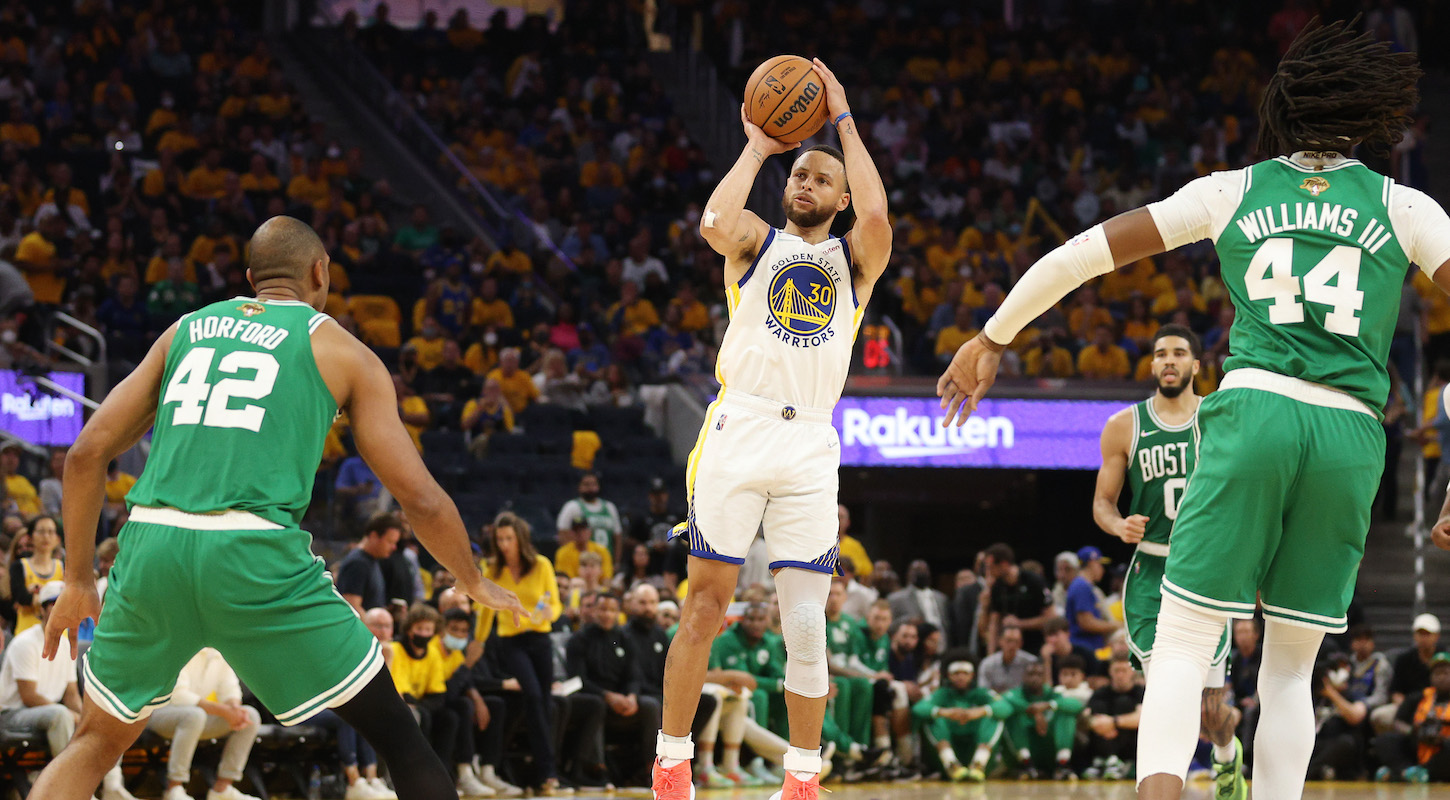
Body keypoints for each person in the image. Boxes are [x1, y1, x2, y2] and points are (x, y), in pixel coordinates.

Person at [937, 21, 1444, 800]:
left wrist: (993, 335)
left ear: (1283, 110)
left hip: (1256, 412)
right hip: (1349, 431)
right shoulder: (1405, 206)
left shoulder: (1232, 189)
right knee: (1288, 670)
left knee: (1181, 641)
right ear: (1365, 118)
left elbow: (1086, 252)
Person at [33, 216, 528, 800]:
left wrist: (77, 578)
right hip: (252, 554)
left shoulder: (185, 330)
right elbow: (418, 497)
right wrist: (469, 577)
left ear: (250, 278)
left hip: (151, 545)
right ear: (321, 272)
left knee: (95, 740)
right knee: (399, 737)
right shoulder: (345, 351)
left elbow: (86, 454)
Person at [653, 59, 893, 800]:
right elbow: (713, 222)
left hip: (811, 444)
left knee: (807, 623)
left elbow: (880, 220)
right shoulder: (758, 242)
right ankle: (671, 759)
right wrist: (758, 146)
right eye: (798, 175)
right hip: (741, 426)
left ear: (841, 195)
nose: (806, 184)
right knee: (704, 605)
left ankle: (802, 777)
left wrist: (844, 118)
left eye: (821, 179)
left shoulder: (853, 260)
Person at [1091, 324, 1244, 796]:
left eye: (1179, 353)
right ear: (1153, 365)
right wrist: (1118, 526)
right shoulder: (1124, 425)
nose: (1169, 361)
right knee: (1163, 694)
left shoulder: (1220, 417)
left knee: (1212, 710)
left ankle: (1225, 756)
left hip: (1207, 570)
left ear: (1197, 365)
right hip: (1151, 569)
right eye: (1161, 354)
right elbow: (1102, 502)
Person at [0, 581, 135, 800]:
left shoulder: (65, 645)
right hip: (12, 714)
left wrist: (88, 717)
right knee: (61, 715)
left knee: (106, 719)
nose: (61, 608)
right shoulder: (25, 642)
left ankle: (112, 785)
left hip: (49, 713)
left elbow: (71, 694)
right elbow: (29, 696)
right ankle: (74, 790)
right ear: (42, 609)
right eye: (53, 603)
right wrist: (73, 715)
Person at [476, 512, 566, 794]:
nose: (503, 544)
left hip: (540, 639)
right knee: (535, 695)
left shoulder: (541, 565)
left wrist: (551, 612)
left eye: (508, 538)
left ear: (519, 538)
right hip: (511, 642)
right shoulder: (492, 570)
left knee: (544, 703)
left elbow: (556, 604)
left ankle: (546, 773)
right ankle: (546, 771)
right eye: (499, 539)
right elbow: (483, 611)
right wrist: (477, 642)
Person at [566, 590, 661, 784]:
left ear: (619, 613)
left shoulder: (623, 638)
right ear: (593, 610)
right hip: (594, 695)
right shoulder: (579, 639)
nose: (607, 615)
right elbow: (578, 679)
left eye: (612, 610)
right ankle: (595, 767)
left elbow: (634, 675)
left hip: (622, 699)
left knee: (650, 704)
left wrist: (632, 696)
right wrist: (608, 696)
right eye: (602, 609)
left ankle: (651, 768)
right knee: (596, 705)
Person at [144, 648, 262, 800]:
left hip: (195, 718)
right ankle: (174, 789)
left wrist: (234, 709)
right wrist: (224, 711)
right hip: (158, 714)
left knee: (250, 716)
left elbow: (230, 691)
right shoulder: (183, 649)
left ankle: (222, 790)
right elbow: (178, 696)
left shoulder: (219, 653)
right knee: (194, 716)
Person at [912, 657, 1001, 783]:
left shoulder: (982, 693)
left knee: (994, 714)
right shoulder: (941, 693)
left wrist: (979, 711)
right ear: (948, 676)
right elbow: (918, 708)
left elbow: (1005, 706)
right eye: (956, 673)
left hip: (975, 750)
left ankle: (979, 763)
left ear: (972, 675)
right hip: (946, 755)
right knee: (932, 715)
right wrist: (944, 712)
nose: (961, 677)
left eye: (965, 673)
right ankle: (951, 764)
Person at [990, 661, 1080, 780]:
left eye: (1039, 674)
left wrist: (1048, 705)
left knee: (1067, 714)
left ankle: (1062, 764)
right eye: (1031, 674)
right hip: (1024, 748)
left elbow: (1076, 705)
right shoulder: (1016, 694)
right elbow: (1006, 700)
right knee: (1011, 714)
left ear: (1045, 677)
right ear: (1023, 676)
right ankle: (1026, 764)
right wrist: (1034, 711)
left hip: (1048, 748)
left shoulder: (1052, 694)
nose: (1035, 678)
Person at [1374, 653, 1450, 782]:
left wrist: (1443, 738)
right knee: (1385, 739)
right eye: (1437, 674)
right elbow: (1398, 722)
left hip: (1444, 752)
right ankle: (1408, 771)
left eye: (1445, 673)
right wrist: (1413, 731)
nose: (1441, 678)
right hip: (1418, 746)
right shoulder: (1419, 697)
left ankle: (1397, 775)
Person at [1376, 614, 1443, 733]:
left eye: (1428, 634)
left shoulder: (1444, 659)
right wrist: (1406, 707)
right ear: (1414, 635)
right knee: (1379, 716)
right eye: (1420, 633)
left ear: (1437, 636)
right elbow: (1395, 691)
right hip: (1408, 705)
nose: (1424, 638)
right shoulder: (1404, 659)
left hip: (1440, 705)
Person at [1084, 655, 1144, 781]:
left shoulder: (1140, 692)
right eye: (1117, 670)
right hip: (1103, 740)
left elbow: (1141, 719)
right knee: (1099, 707)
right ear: (1110, 672)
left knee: (1124, 703)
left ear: (1132, 672)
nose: (1120, 675)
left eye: (1124, 671)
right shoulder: (1101, 693)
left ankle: (1114, 760)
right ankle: (1109, 760)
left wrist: (1113, 722)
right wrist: (1098, 723)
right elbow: (1086, 717)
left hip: (1131, 743)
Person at [336, 513, 403, 614]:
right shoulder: (357, 563)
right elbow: (352, 607)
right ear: (374, 536)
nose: (394, 547)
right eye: (390, 542)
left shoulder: (372, 560)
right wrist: (374, 627)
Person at [556, 473, 623, 565]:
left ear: (598, 486)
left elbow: (618, 537)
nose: (590, 488)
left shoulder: (609, 507)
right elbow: (563, 536)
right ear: (579, 486)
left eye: (593, 484)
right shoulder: (572, 507)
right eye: (586, 484)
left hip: (606, 560)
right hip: (582, 562)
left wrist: (617, 562)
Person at [11, 515, 62, 633]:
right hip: (25, 633)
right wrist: (53, 597)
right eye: (41, 531)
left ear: (57, 539)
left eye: (51, 532)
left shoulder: (63, 567)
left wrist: (37, 595)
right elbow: (21, 598)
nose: (46, 536)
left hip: (58, 633)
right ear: (30, 537)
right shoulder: (19, 566)